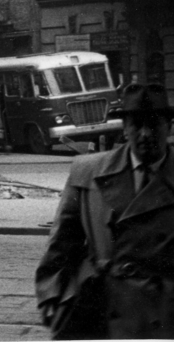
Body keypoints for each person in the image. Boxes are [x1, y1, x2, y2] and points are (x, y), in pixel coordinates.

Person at [36, 83, 174, 339]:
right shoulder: (89, 173)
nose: (145, 134)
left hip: (164, 312)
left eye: (153, 124)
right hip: (101, 308)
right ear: (125, 128)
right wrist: (51, 294)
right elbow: (62, 243)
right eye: (136, 125)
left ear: (169, 127)